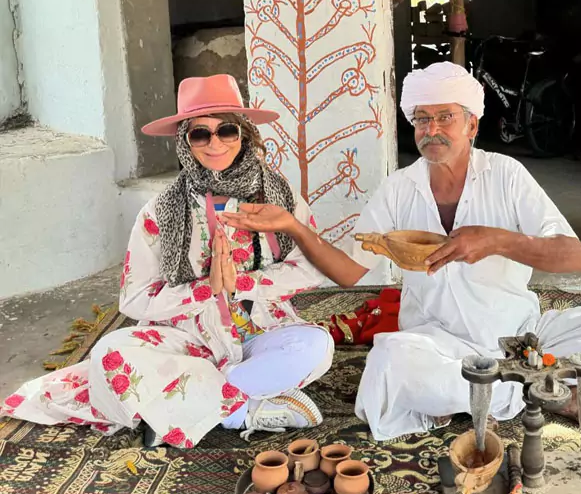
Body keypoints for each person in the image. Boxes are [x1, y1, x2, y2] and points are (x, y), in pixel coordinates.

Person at [220, 62, 581, 442]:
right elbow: (349, 272)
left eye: (445, 117)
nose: (431, 130)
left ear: (472, 125)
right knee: (389, 363)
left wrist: (495, 240)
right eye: (422, 119)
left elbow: (574, 257)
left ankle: (506, 383)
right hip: (439, 342)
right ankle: (534, 388)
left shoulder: (506, 175)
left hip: (521, 332)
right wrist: (293, 226)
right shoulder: (399, 190)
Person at [0, 75, 334, 447]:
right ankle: (242, 409)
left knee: (316, 347)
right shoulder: (159, 212)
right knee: (110, 353)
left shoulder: (281, 197)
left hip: (262, 331)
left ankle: (186, 405)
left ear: (244, 134)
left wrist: (241, 283)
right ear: (184, 142)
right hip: (186, 340)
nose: (215, 144)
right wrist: (205, 289)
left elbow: (311, 266)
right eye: (200, 134)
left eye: (226, 130)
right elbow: (134, 298)